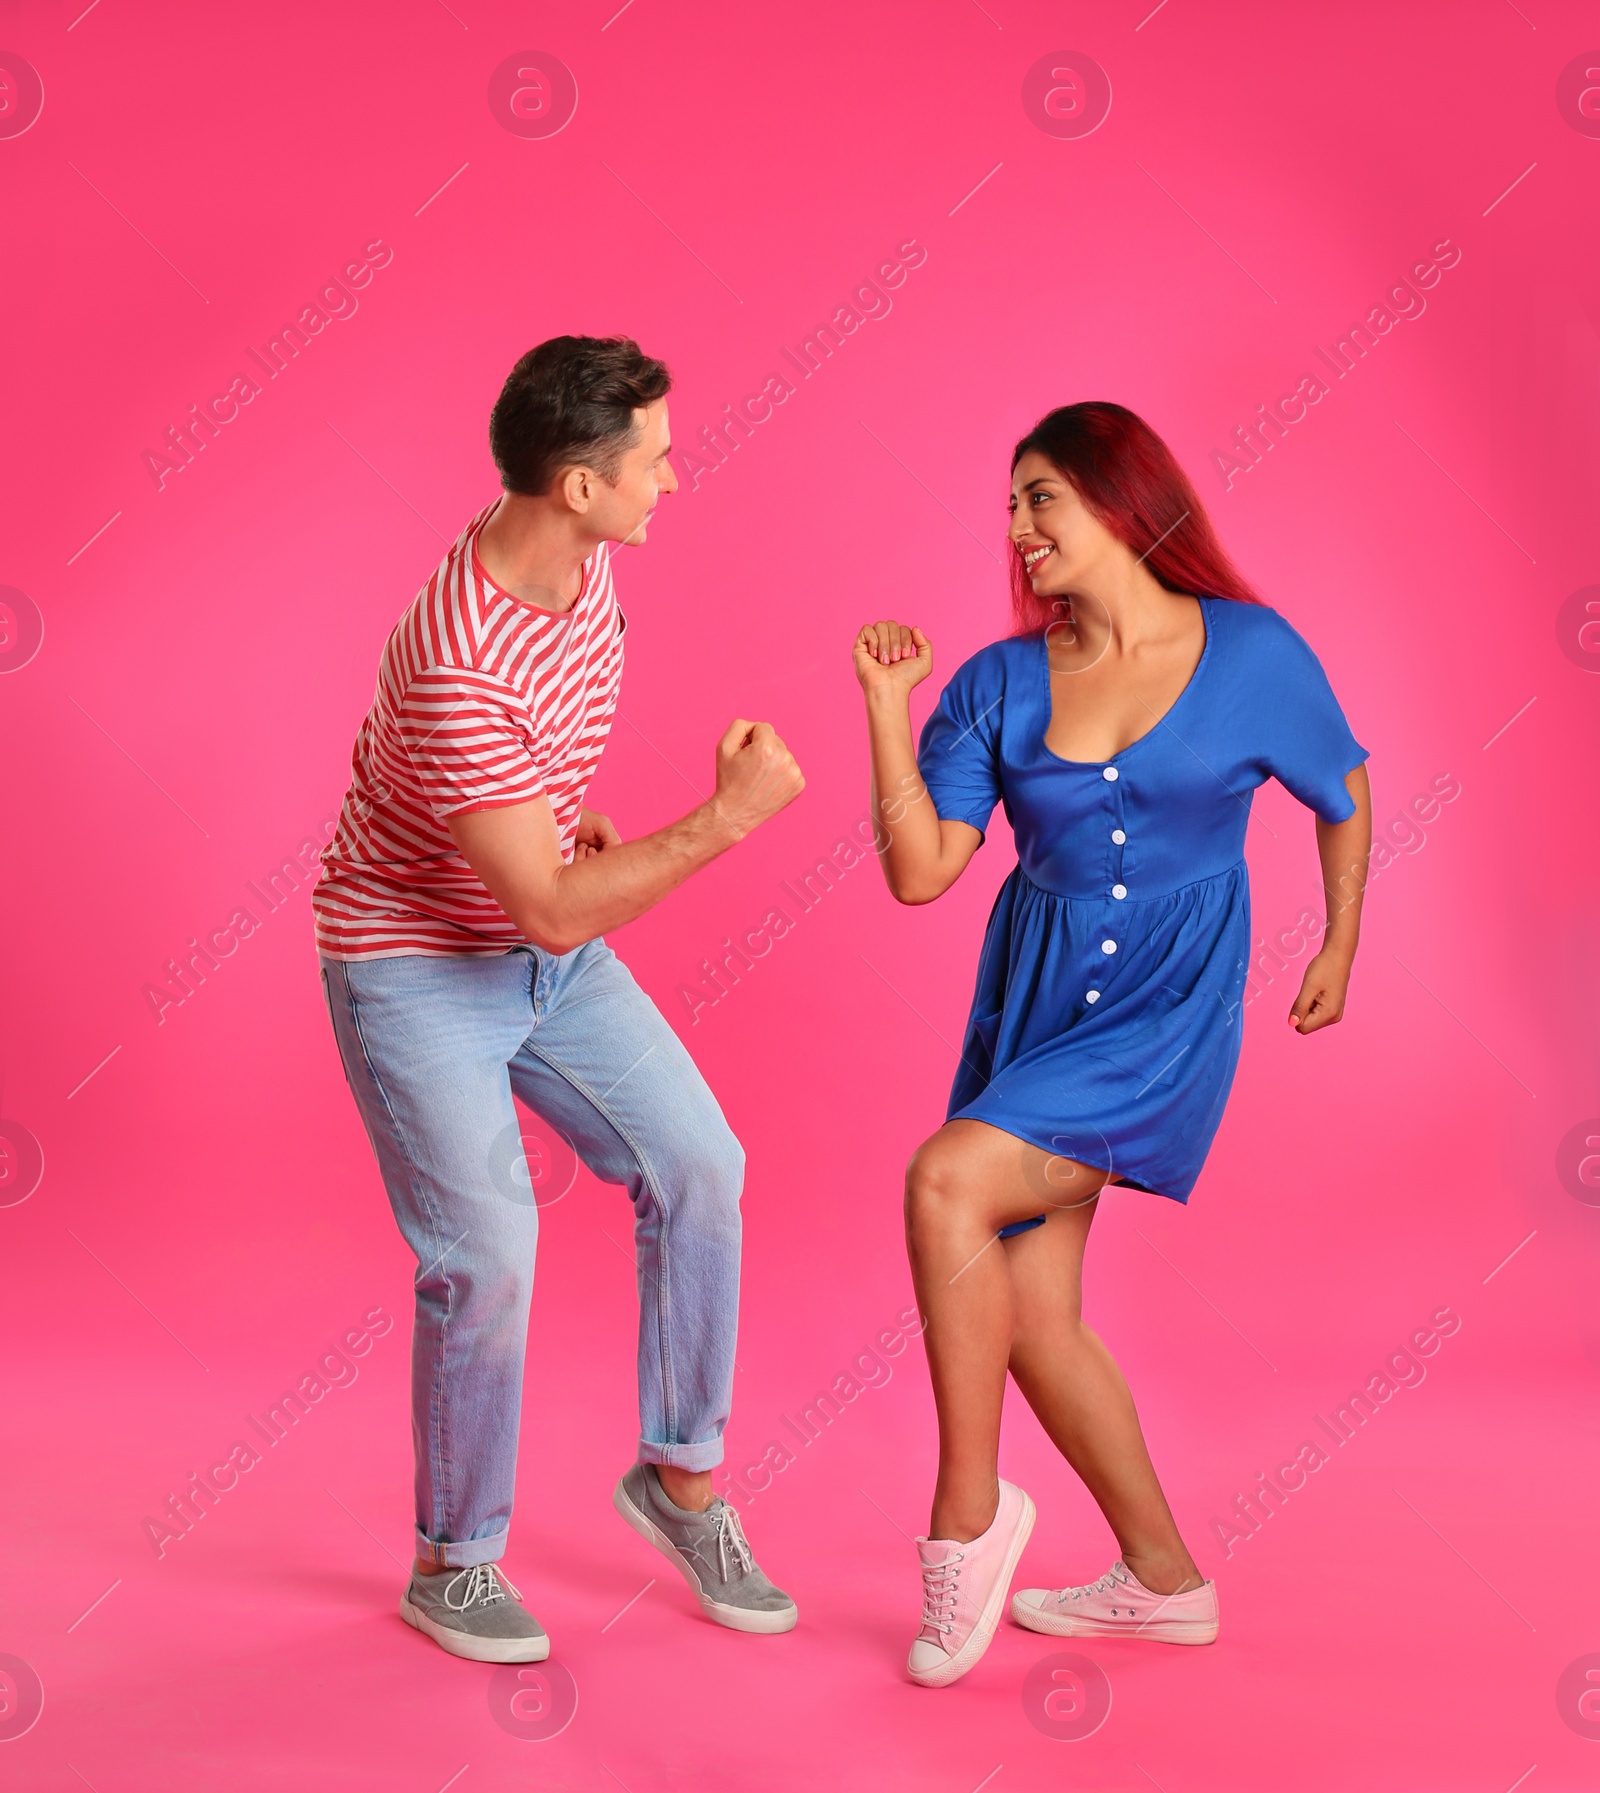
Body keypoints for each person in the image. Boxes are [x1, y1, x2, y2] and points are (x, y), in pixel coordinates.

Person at [853, 401, 1371, 1688]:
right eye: (1012, 503)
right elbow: (922, 873)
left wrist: (1337, 946)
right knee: (1029, 1312)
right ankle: (1161, 1576)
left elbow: (1342, 789)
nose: (1020, 528)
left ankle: (964, 1523)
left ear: (1123, 502)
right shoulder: (996, 680)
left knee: (944, 1180)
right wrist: (883, 705)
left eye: (1045, 498)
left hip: (1166, 1014)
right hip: (1031, 1010)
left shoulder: (1251, 652)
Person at [313, 335, 805, 1663]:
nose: (675, 478)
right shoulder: (458, 659)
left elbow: (537, 834)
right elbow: (539, 896)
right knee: (489, 1256)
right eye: (654, 459)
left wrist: (552, 824)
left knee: (702, 1161)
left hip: (541, 940)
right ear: (578, 486)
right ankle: (452, 1562)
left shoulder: (568, 560)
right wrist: (725, 820)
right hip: (416, 963)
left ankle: (678, 1483)